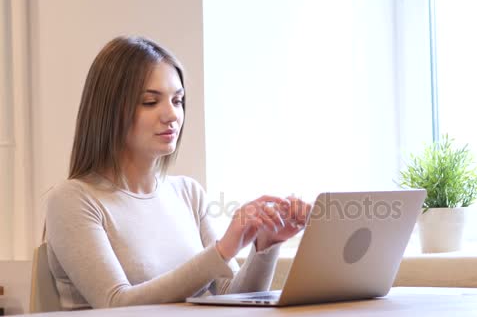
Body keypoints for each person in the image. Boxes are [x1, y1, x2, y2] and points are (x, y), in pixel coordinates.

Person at [44, 36, 311, 310]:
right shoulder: (71, 200)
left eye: (178, 100)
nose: (172, 115)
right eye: (150, 102)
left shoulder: (188, 192)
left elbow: (231, 298)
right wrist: (222, 250)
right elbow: (116, 303)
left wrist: (265, 246)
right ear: (109, 110)